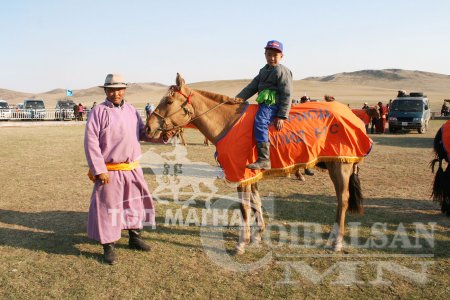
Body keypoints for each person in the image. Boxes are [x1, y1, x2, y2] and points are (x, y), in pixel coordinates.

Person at [84, 73, 163, 265]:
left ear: (124, 90)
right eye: (111, 89)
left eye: (119, 89)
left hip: (132, 168)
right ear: (105, 91)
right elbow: (91, 142)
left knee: (135, 204)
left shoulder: (131, 110)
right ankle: (108, 246)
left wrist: (163, 136)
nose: (115, 93)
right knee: (108, 208)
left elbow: (144, 134)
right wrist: (98, 169)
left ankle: (135, 237)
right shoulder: (98, 111)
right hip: (109, 170)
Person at [235, 40, 293, 170]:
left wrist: (282, 116)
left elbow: (287, 94)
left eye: (275, 55)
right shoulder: (263, 70)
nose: (272, 58)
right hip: (263, 103)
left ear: (281, 56)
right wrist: (238, 99)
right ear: (265, 54)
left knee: (260, 121)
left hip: (273, 104)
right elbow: (252, 87)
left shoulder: (282, 71)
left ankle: (264, 159)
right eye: (269, 54)